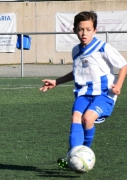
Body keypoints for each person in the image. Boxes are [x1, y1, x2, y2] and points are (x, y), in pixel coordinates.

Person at [39, 11, 127, 169]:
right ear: (74, 30)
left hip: (104, 94)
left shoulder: (102, 47)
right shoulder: (75, 51)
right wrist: (56, 82)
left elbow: (123, 65)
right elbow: (77, 72)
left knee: (87, 119)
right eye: (80, 29)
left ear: (95, 30)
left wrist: (118, 85)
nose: (83, 33)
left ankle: (84, 153)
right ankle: (73, 155)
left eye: (87, 29)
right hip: (83, 94)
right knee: (76, 118)